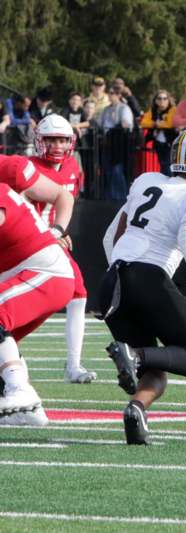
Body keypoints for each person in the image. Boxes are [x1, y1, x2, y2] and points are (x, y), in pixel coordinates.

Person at [100, 127, 186, 445]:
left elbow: (110, 237)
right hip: (147, 277)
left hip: (112, 281)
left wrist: (118, 277)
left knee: (157, 364)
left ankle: (136, 412)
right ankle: (133, 356)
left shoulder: (147, 180)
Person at [0, 155, 78, 425]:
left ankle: (20, 390)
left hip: (44, 271)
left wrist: (56, 230)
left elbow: (61, 195)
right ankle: (28, 414)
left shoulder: (10, 172)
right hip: (26, 271)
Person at [26, 115, 96, 384]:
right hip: (24, 241)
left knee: (78, 295)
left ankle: (73, 365)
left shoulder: (72, 168)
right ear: (39, 141)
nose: (57, 145)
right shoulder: (27, 167)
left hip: (52, 241)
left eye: (62, 139)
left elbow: (65, 205)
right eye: (51, 139)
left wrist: (60, 231)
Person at [140, 90, 177, 176]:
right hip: (159, 143)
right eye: (159, 98)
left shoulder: (173, 109)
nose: (162, 101)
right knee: (163, 165)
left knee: (168, 165)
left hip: (170, 142)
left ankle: (169, 185)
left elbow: (169, 124)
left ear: (168, 100)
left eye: (165, 98)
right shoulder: (153, 111)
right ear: (156, 101)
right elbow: (143, 123)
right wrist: (155, 124)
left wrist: (156, 124)